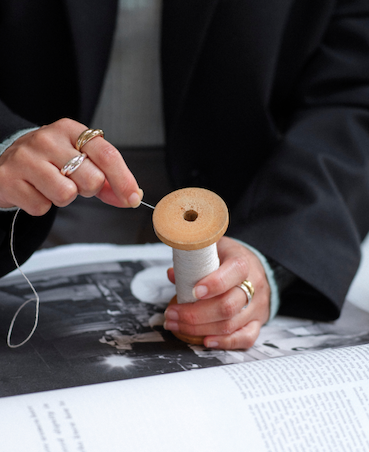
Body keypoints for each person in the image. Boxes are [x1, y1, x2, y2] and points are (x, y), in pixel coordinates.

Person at [0, 0, 368, 351]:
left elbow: (354, 89)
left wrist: (279, 249)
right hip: (32, 205)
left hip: (263, 198)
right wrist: (7, 141)